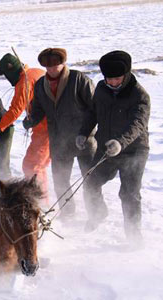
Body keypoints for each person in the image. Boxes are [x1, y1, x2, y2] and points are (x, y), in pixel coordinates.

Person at [77, 50, 150, 241]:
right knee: (91, 181)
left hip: (134, 150)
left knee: (129, 194)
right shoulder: (101, 89)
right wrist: (84, 132)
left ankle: (134, 237)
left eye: (116, 79)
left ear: (126, 75)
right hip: (106, 147)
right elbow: (92, 112)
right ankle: (98, 213)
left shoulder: (139, 95)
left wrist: (120, 142)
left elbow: (138, 124)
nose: (112, 83)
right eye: (108, 78)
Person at [23, 48, 96, 216]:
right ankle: (68, 214)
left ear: (63, 63)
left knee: (90, 180)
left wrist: (86, 133)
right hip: (59, 141)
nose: (51, 69)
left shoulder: (78, 79)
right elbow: (38, 110)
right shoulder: (41, 85)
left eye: (55, 65)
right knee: (61, 181)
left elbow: (95, 108)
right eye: (47, 66)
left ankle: (95, 214)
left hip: (84, 139)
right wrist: (31, 120)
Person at [0, 53, 49, 201]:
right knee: (38, 166)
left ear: (11, 70)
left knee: (31, 165)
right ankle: (43, 197)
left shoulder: (24, 81)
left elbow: (15, 110)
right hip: (46, 126)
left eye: (6, 75)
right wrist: (31, 117)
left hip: (46, 129)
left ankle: (40, 202)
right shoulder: (36, 72)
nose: (8, 79)